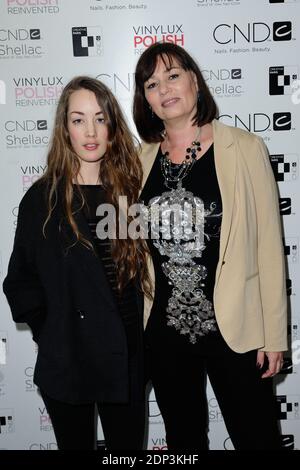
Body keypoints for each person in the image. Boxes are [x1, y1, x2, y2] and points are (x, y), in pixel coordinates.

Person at [133, 42, 287, 450]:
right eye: (151, 83)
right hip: (165, 333)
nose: (164, 88)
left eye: (173, 75)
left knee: (258, 439)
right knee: (183, 442)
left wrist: (274, 336)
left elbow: (270, 248)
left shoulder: (245, 148)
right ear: (145, 99)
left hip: (233, 329)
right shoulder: (139, 159)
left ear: (195, 81)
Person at [3, 76, 151, 450]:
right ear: (64, 128)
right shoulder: (43, 198)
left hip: (126, 356)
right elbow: (19, 281)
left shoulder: (129, 190)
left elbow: (141, 276)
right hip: (69, 359)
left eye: (100, 119)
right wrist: (50, 332)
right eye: (78, 119)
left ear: (113, 127)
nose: (90, 131)